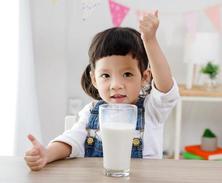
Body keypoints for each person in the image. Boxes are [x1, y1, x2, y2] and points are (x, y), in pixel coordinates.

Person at [24, 10, 179, 171]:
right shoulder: (91, 112)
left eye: (127, 74)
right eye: (105, 75)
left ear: (145, 77)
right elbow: (72, 140)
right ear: (94, 79)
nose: (116, 85)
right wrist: (47, 154)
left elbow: (165, 89)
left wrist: (150, 40)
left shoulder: (152, 110)